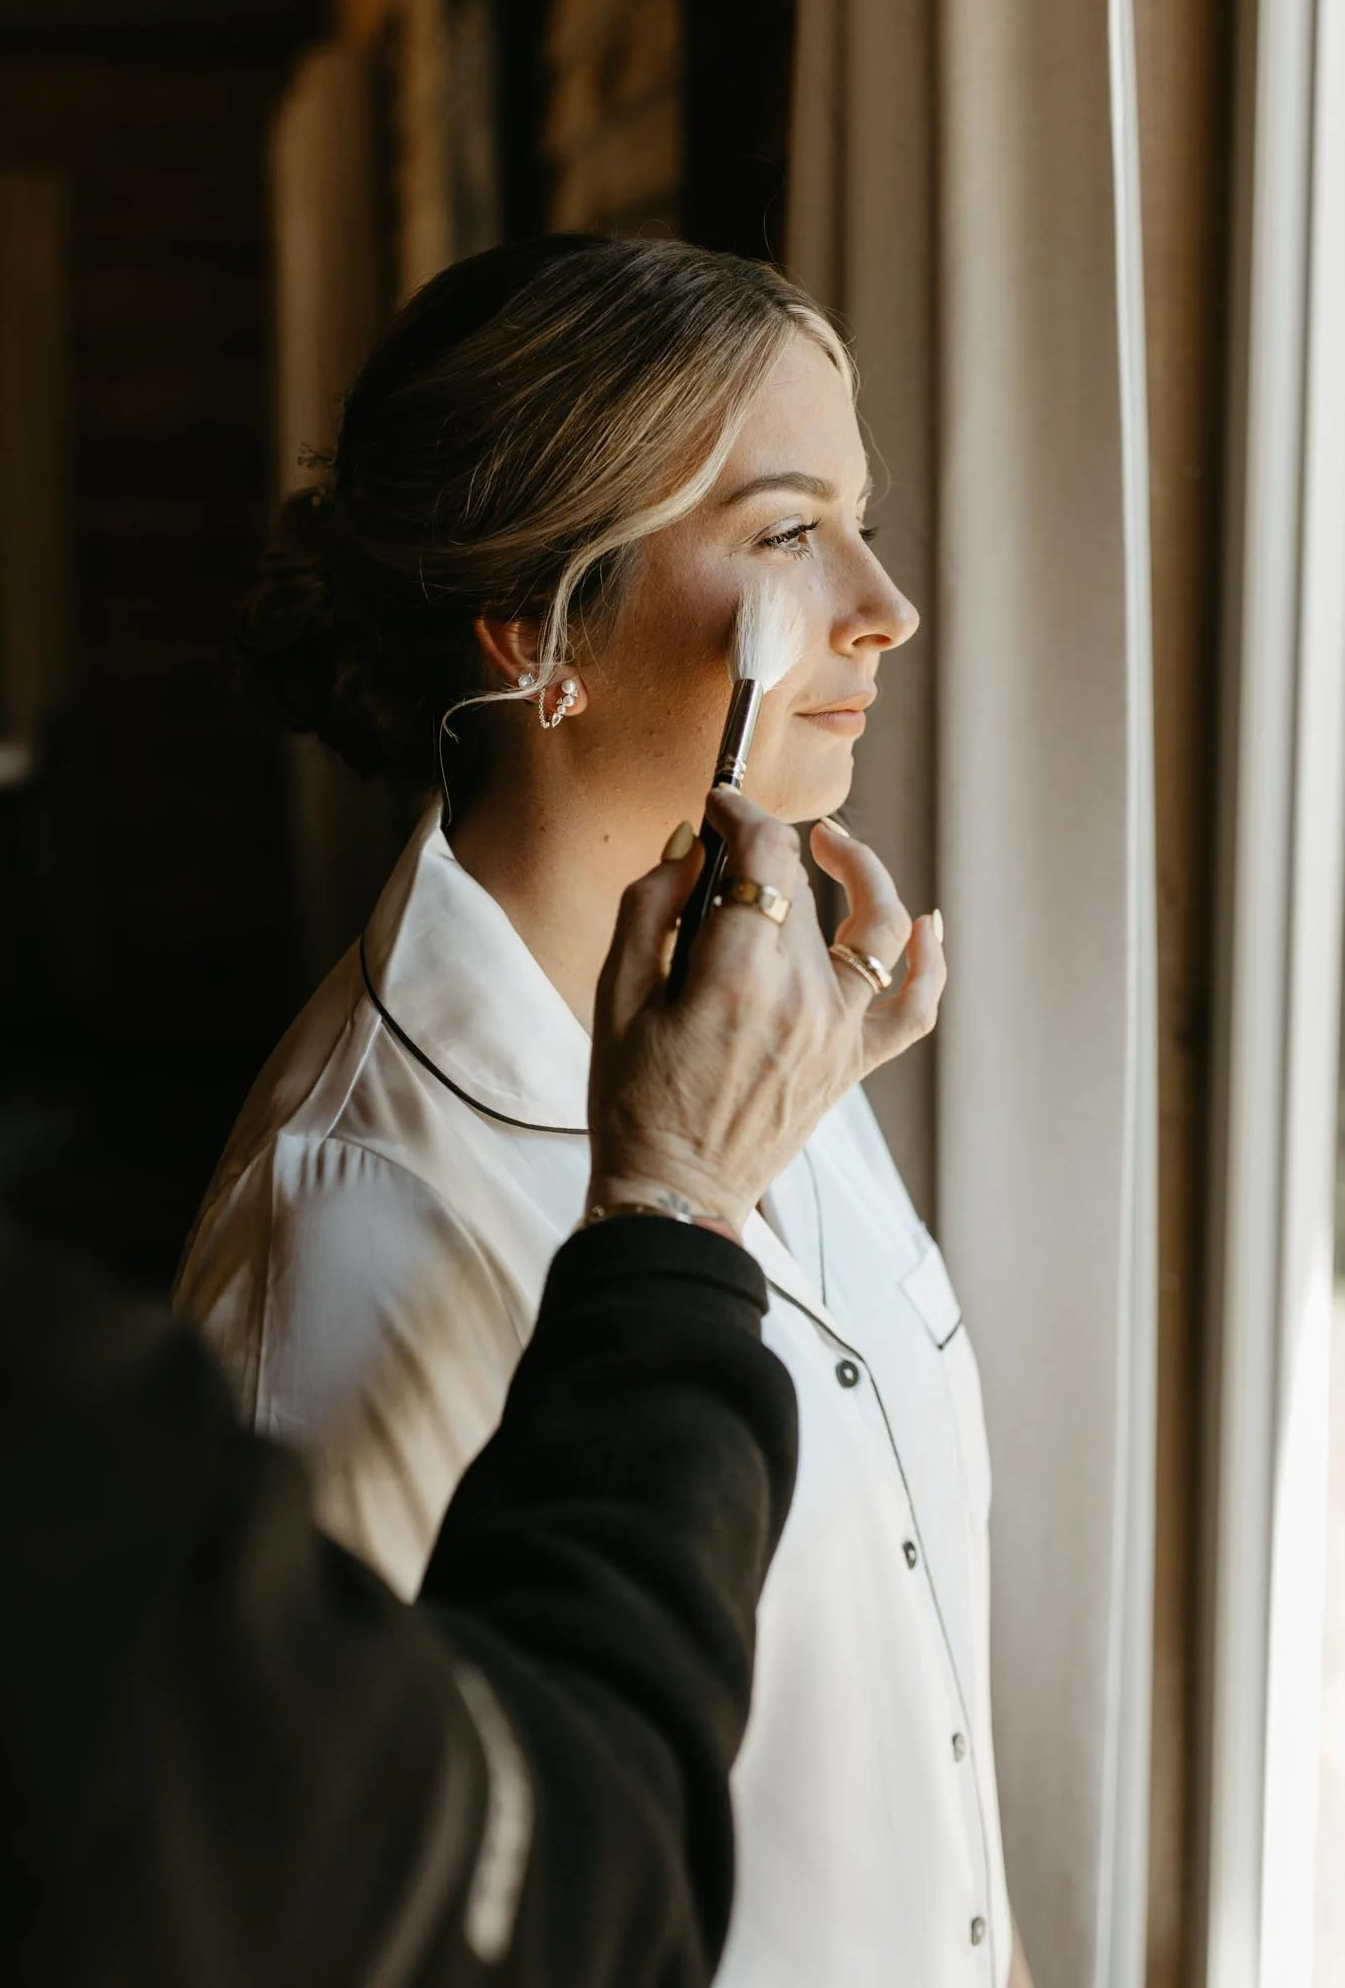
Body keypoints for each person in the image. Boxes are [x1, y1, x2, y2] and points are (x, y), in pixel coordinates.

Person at [176, 235, 1026, 1986]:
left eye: (861, 519)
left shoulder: (754, 1006)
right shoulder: (351, 1233)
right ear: (538, 630)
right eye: (786, 532)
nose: (885, 603)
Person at [0, 788, 923, 1987]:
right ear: (541, 670)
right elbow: (521, 1883)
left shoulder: (766, 1026)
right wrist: (673, 1208)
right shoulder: (351, 1218)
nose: (876, 639)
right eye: (781, 588)